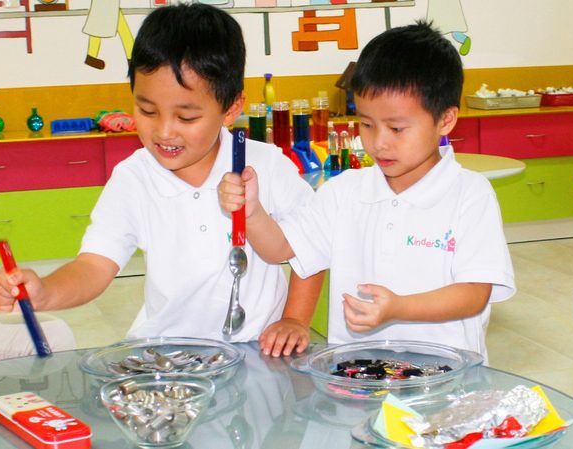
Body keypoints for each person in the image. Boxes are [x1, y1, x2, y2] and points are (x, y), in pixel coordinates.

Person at [0, 3, 323, 358]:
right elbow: (94, 265)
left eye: (186, 117)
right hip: (166, 355)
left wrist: (294, 318)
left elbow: (311, 246)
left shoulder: (267, 165)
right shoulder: (134, 178)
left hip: (255, 351)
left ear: (231, 108)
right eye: (147, 111)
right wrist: (45, 292)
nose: (164, 132)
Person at [218, 21, 515, 361]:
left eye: (397, 128)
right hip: (357, 372)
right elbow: (280, 249)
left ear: (445, 120)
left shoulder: (470, 194)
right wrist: (252, 211)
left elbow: (475, 293)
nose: (379, 142)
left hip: (447, 373)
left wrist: (399, 308)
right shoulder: (345, 191)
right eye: (367, 124)